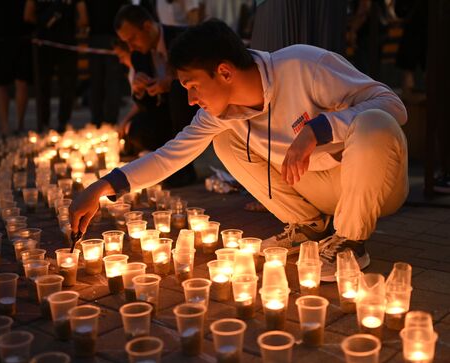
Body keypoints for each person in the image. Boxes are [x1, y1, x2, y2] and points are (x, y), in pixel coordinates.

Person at [70, 20, 409, 282]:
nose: (190, 99)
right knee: (225, 140)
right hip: (320, 189)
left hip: (374, 182)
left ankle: (350, 242)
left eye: (192, 85)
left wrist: (317, 130)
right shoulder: (216, 116)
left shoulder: (303, 65)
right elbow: (169, 156)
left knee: (373, 123)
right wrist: (101, 188)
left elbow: (392, 106)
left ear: (225, 72)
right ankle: (309, 225)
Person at [114, 4, 198, 186]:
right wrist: (139, 91)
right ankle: (164, 162)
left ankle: (184, 170)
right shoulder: (139, 55)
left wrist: (172, 83)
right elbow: (147, 107)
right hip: (163, 114)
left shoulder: (182, 38)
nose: (130, 46)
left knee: (177, 90)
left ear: (147, 26)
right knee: (136, 128)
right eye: (126, 42)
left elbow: (201, 79)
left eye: (132, 39)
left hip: (192, 108)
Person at [24, 0, 87, 133]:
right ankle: (60, 122)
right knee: (60, 84)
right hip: (59, 42)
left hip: (52, 42)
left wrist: (42, 25)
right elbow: (83, 18)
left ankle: (47, 122)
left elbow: (28, 15)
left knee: (52, 85)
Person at [0, 0, 34, 136]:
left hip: (4, 34)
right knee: (17, 80)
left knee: (4, 81)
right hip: (19, 34)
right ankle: (17, 124)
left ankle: (6, 125)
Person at [81, 0, 128, 128]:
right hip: (113, 36)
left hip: (95, 36)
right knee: (112, 82)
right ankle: (110, 121)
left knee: (96, 81)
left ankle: (97, 120)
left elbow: (83, 18)